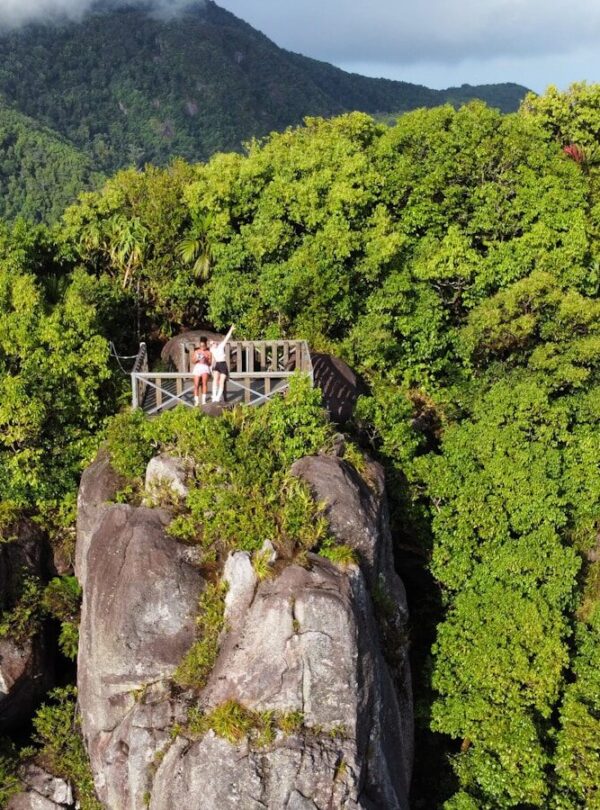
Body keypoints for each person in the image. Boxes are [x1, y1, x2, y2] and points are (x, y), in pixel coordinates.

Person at [210, 324, 235, 403]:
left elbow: (226, 338)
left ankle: (218, 397)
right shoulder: (212, 350)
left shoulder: (221, 346)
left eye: (215, 343)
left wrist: (231, 329)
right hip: (217, 364)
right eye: (213, 344)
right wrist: (211, 367)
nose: (214, 344)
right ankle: (214, 396)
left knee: (221, 381)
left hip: (223, 364)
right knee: (215, 379)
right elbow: (213, 359)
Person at [191, 339, 212, 406]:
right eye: (201, 346)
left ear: (206, 345)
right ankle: (196, 401)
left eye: (203, 346)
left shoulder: (209, 352)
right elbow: (193, 361)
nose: (202, 347)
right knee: (196, 384)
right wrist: (197, 359)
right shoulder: (196, 351)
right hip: (198, 367)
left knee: (204, 383)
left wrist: (206, 360)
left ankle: (203, 400)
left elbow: (210, 363)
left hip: (205, 367)